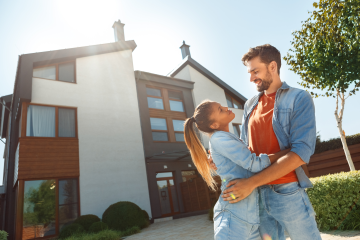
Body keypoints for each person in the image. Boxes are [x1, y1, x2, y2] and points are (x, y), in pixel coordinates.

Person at [209, 44, 321, 240]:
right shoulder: (250, 105)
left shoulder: (298, 98)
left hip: (287, 192)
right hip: (256, 196)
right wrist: (222, 163)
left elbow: (300, 153)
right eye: (249, 72)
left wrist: (251, 183)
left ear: (272, 66)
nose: (251, 78)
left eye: (255, 71)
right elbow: (245, 151)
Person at [184, 100, 291, 240]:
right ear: (214, 125)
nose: (226, 107)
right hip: (233, 217)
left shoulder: (228, 138)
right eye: (220, 110)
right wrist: (289, 152)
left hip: (248, 217)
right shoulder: (219, 139)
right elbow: (254, 163)